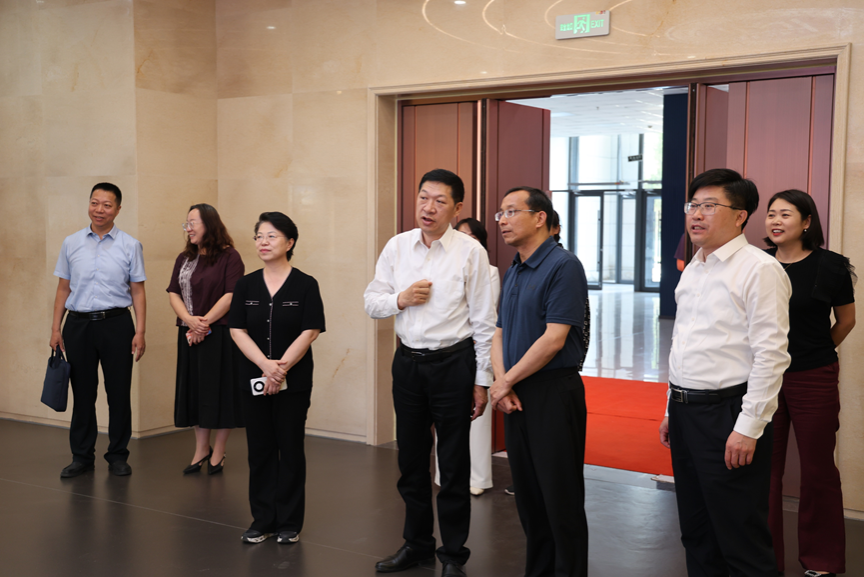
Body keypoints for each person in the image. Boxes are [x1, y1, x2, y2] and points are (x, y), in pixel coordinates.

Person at [658, 168, 791, 577]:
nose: (696, 214)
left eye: (709, 206)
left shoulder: (759, 269)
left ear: (740, 215)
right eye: (693, 205)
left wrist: (749, 428)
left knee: (740, 537)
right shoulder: (693, 268)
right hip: (686, 412)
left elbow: (771, 355)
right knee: (696, 532)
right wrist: (671, 408)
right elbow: (683, 343)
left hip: (727, 414)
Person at [364, 169, 496, 577]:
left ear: (457, 208)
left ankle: (453, 554)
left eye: (440, 201)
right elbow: (372, 301)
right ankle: (417, 544)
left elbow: (484, 322)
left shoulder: (471, 251)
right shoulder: (397, 246)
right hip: (408, 364)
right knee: (411, 460)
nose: (429, 207)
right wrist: (400, 299)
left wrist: (482, 381)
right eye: (424, 197)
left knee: (453, 465)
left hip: (453, 365)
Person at [490, 187, 590, 577]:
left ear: (540, 217)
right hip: (515, 392)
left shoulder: (563, 266)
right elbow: (499, 332)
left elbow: (554, 339)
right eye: (500, 213)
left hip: (553, 391)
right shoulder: (514, 268)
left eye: (511, 212)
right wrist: (503, 382)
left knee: (560, 499)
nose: (503, 220)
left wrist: (504, 382)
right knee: (529, 498)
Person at [763, 190, 856, 577]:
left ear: (806, 222)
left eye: (785, 214)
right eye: (771, 214)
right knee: (763, 472)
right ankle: (763, 560)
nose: (775, 220)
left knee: (818, 471)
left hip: (813, 377)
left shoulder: (831, 266)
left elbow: (846, 320)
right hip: (764, 378)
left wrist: (815, 352)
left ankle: (821, 561)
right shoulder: (757, 264)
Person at [228, 212, 325, 545]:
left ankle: (289, 522)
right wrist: (264, 366)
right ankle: (262, 520)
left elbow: (310, 331)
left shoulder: (306, 284)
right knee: (260, 449)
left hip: (294, 381)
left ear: (290, 242)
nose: (263, 242)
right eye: (259, 236)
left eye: (271, 236)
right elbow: (237, 330)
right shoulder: (245, 285)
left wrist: (279, 369)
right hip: (253, 378)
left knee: (290, 447)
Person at [49, 183, 147, 478]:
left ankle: (117, 455)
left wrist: (140, 331)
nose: (99, 209)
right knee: (82, 393)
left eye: (107, 205)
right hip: (77, 325)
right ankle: (81, 456)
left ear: (118, 209)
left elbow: (138, 291)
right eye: (95, 203)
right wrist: (55, 328)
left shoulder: (130, 245)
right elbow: (63, 288)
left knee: (118, 393)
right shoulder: (71, 243)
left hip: (117, 324)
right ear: (89, 204)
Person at [167, 204, 245, 475]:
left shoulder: (230, 256)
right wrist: (190, 321)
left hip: (219, 334)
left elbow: (232, 294)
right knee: (195, 392)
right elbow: (174, 292)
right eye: (186, 223)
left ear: (209, 224)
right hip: (189, 333)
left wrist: (203, 323)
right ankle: (201, 449)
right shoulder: (184, 258)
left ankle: (219, 451)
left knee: (220, 393)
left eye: (193, 223)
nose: (188, 229)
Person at [433, 217, 500, 496]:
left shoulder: (490, 271)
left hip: (476, 349)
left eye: (472, 237)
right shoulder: (441, 267)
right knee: (446, 419)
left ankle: (478, 477)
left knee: (477, 417)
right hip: (447, 351)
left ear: (481, 242)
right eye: (461, 235)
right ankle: (442, 473)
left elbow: (484, 314)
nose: (465, 241)